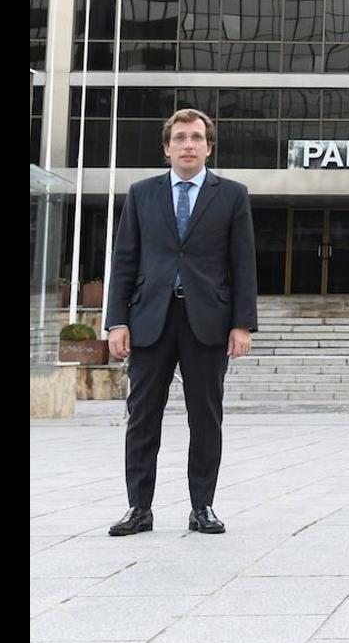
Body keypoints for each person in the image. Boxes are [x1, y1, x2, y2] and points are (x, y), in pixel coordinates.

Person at [105, 108, 257, 536]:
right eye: (180, 138)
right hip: (150, 318)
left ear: (208, 146)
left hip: (207, 320)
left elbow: (242, 263)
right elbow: (125, 261)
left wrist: (242, 323)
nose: (188, 145)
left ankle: (202, 507)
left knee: (205, 418)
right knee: (142, 417)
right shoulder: (141, 194)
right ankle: (139, 508)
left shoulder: (231, 195)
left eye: (195, 137)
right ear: (166, 147)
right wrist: (117, 320)